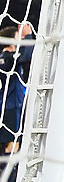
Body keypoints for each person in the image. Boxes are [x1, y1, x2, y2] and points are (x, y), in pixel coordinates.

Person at [0, 23, 34, 153]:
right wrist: (28, 36)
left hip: (11, 106)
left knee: (13, 147)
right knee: (12, 147)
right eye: (17, 37)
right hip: (10, 107)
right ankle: (7, 173)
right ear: (10, 42)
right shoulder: (6, 58)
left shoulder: (8, 58)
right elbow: (27, 55)